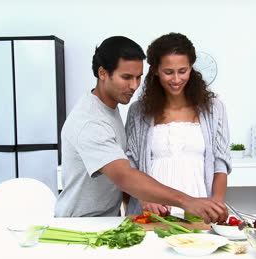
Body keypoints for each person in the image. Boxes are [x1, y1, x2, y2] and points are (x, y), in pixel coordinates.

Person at [54, 36, 228, 223]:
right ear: (103, 73)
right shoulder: (90, 122)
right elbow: (125, 175)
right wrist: (186, 201)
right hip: (79, 224)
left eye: (138, 77)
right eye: (126, 77)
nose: (135, 86)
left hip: (106, 219)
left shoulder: (109, 109)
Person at [125, 33, 232, 216]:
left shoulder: (214, 108)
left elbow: (220, 163)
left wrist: (214, 204)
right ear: (156, 70)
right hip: (154, 213)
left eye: (183, 71)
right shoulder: (138, 111)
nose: (176, 79)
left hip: (198, 212)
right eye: (168, 72)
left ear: (191, 68)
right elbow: (130, 165)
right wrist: (144, 200)